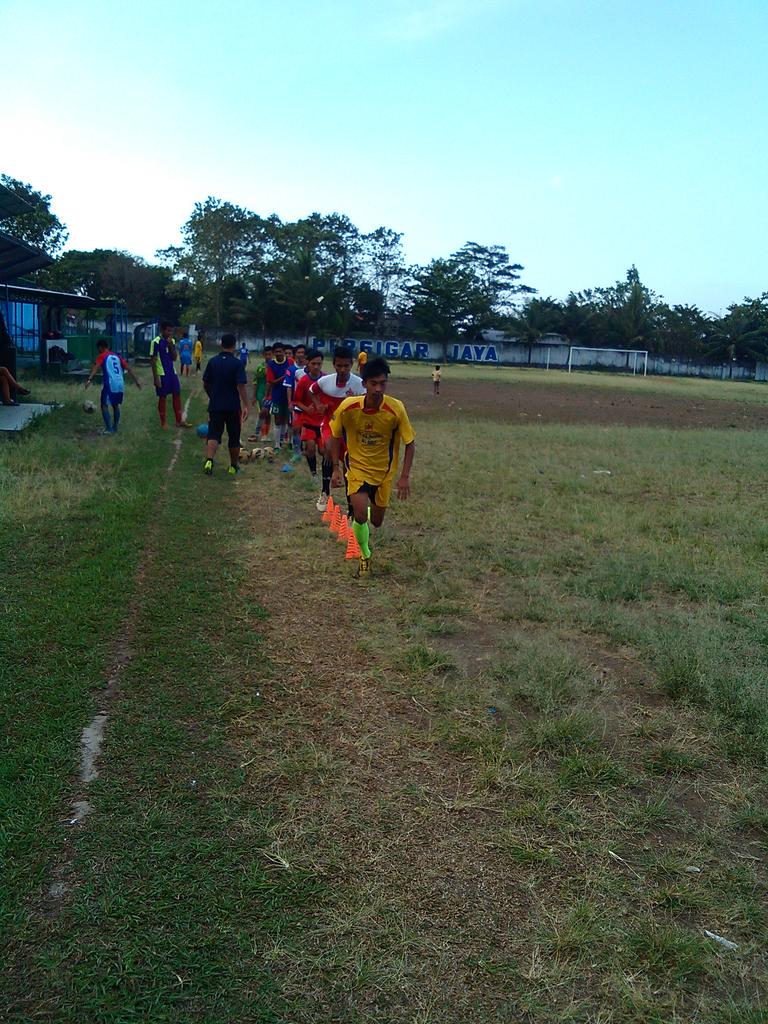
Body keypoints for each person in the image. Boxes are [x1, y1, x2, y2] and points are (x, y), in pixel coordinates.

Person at [330, 356, 415, 578]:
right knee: (359, 515)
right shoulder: (348, 407)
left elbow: (410, 443)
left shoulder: (396, 409)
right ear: (364, 384)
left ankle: (367, 509)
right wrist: (336, 469)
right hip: (357, 468)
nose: (378, 388)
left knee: (376, 522)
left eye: (382, 383)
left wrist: (404, 476)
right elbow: (334, 435)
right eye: (373, 383)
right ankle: (365, 556)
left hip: (384, 472)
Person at [309, 346, 364, 511]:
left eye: (346, 366)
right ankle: (325, 491)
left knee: (349, 464)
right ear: (333, 364)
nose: (342, 369)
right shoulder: (325, 381)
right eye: (339, 365)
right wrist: (318, 404)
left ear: (352, 364)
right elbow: (312, 391)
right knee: (327, 447)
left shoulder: (359, 385)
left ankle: (350, 506)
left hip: (350, 430)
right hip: (330, 424)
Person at [202, 333, 249, 476]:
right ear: (234, 346)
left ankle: (209, 460)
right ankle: (233, 466)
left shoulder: (213, 361)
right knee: (234, 437)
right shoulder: (237, 363)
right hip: (232, 406)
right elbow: (241, 385)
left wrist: (212, 395)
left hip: (216, 404)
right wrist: (246, 404)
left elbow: (206, 382)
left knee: (214, 434)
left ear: (221, 344)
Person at [85, 339, 141, 433]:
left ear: (100, 347)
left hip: (110, 383)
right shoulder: (117, 356)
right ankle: (115, 427)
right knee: (115, 405)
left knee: (104, 405)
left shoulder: (102, 356)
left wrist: (89, 379)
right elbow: (129, 369)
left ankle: (108, 428)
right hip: (120, 383)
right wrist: (136, 381)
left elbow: (95, 368)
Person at [292, 350, 325, 490]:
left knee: (324, 451)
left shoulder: (326, 380)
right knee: (310, 448)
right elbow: (296, 401)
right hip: (308, 421)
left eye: (319, 363)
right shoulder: (303, 381)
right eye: (313, 363)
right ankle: (313, 474)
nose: (316, 366)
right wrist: (306, 409)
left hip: (323, 422)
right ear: (307, 363)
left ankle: (327, 474)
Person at [149, 322, 190, 429]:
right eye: (168, 330)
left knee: (177, 393)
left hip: (172, 372)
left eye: (171, 331)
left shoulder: (171, 341)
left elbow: (174, 358)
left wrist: (171, 346)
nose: (170, 333)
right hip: (161, 373)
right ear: (162, 330)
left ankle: (179, 421)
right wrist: (156, 378)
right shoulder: (155, 342)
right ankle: (163, 422)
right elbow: (153, 360)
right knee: (163, 397)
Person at [265, 342, 291, 450]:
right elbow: (271, 382)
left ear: (284, 352)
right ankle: (276, 445)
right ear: (274, 353)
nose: (278, 353)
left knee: (287, 419)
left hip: (288, 395)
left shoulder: (290, 362)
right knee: (277, 420)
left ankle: (284, 441)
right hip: (277, 396)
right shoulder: (271, 364)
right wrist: (284, 376)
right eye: (276, 352)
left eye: (280, 351)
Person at [249, 344, 272, 442]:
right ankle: (257, 433)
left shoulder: (275, 366)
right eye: (266, 354)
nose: (268, 357)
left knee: (269, 414)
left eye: (270, 354)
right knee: (263, 412)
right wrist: (254, 396)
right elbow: (255, 382)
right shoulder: (260, 367)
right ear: (263, 355)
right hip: (261, 393)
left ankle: (265, 435)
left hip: (272, 393)